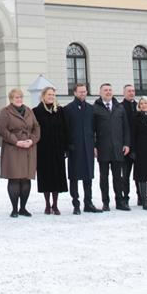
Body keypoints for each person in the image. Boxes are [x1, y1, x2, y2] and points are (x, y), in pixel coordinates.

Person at [0, 88, 41, 218]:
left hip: (28, 148)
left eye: (21, 97)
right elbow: (1, 129)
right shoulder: (5, 112)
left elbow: (36, 127)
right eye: (16, 97)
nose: (19, 99)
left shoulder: (28, 110)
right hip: (13, 149)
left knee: (26, 179)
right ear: (11, 99)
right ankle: (14, 208)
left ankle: (23, 207)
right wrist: (16, 141)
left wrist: (31, 141)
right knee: (15, 178)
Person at [92, 83, 131, 211]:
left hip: (118, 148)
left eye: (110, 90)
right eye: (105, 90)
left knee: (117, 177)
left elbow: (126, 128)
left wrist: (126, 144)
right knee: (104, 178)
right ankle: (106, 202)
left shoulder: (119, 107)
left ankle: (120, 201)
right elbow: (92, 130)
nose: (108, 92)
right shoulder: (95, 108)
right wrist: (94, 146)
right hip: (102, 148)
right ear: (100, 93)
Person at [63, 83, 101, 214]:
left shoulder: (91, 109)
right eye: (80, 92)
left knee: (88, 176)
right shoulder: (67, 109)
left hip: (88, 147)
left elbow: (94, 129)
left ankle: (88, 202)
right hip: (74, 147)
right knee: (74, 177)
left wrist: (95, 145)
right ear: (74, 93)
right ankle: (76, 204)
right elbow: (65, 130)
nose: (83, 94)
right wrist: (68, 146)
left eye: (84, 92)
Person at [33, 86, 69, 215]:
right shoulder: (36, 111)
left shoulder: (60, 110)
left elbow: (65, 130)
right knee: (45, 177)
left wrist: (65, 147)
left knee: (57, 177)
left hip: (57, 149)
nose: (51, 97)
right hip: (43, 150)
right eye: (49, 94)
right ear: (43, 96)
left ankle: (55, 204)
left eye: (53, 94)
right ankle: (47, 204)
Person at [119, 85, 139, 206]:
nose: (131, 93)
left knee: (139, 174)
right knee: (125, 175)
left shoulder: (139, 106)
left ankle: (141, 197)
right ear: (124, 93)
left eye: (133, 91)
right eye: (129, 91)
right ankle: (125, 197)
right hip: (126, 147)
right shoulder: (120, 107)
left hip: (139, 147)